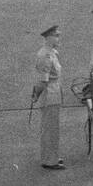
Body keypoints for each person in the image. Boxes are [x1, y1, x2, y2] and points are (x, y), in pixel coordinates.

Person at [34, 25, 64, 170]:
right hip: (49, 94)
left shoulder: (52, 52)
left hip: (54, 93)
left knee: (53, 128)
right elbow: (43, 80)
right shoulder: (45, 55)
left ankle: (52, 156)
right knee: (49, 129)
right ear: (48, 37)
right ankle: (49, 160)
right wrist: (36, 95)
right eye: (56, 36)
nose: (58, 38)